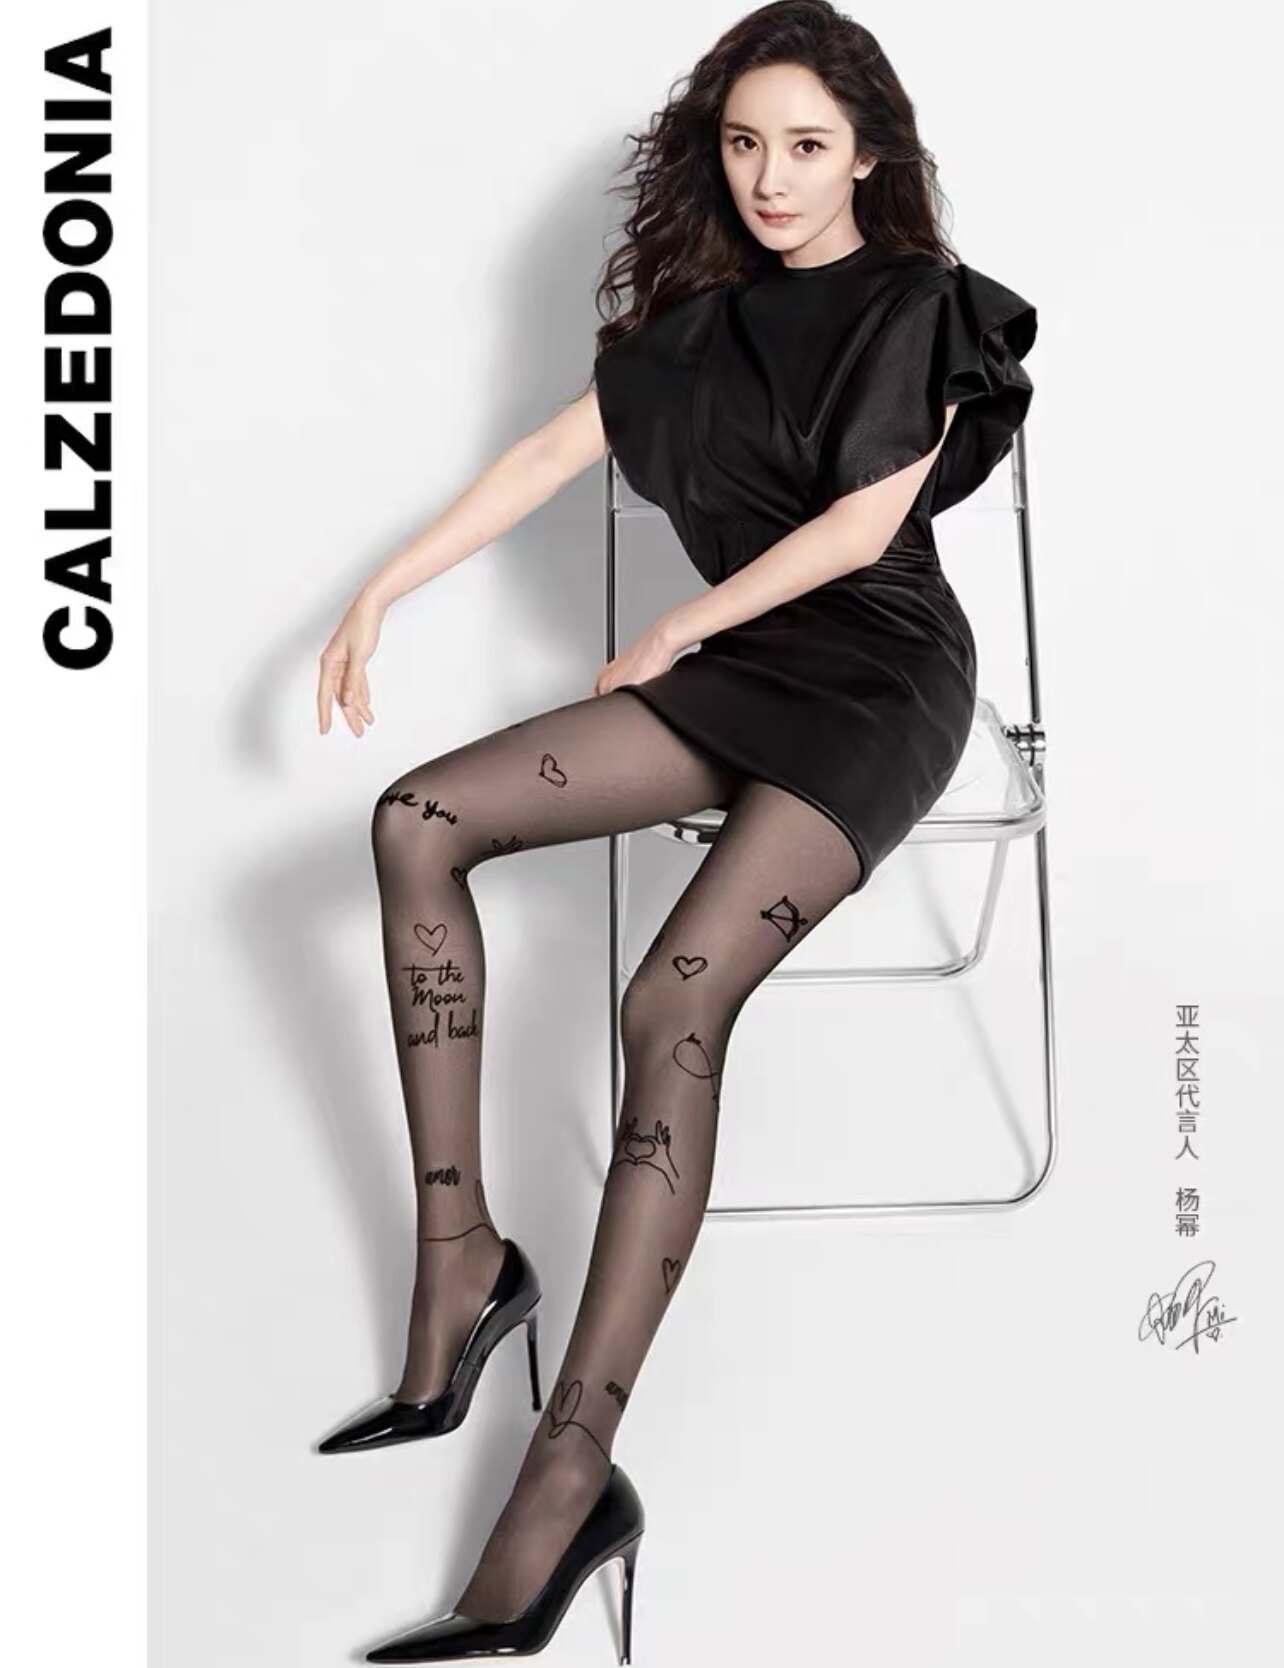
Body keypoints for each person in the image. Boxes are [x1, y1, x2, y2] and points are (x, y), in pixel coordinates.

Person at [314, 1, 1037, 1660]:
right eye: (745, 142)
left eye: (808, 145)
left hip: (878, 681)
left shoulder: (926, 307)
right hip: (736, 668)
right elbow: (541, 454)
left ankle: (572, 1476)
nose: (772, 177)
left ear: (869, 155)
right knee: (419, 818)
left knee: (667, 1002)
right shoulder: (692, 332)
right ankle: (461, 1263)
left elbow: (861, 527)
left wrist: (680, 629)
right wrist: (379, 591)